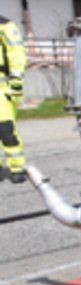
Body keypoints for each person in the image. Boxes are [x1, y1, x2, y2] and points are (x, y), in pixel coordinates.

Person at [0, 13, 26, 183]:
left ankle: (16, 167)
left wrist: (16, 81)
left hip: (1, 87)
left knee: (5, 128)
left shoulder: (5, 25)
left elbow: (16, 52)